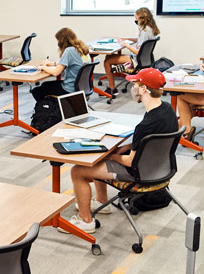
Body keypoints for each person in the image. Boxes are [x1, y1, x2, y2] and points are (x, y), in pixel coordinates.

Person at [66, 68, 177, 233]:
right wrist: (123, 148)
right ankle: (101, 201)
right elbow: (147, 144)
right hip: (160, 168)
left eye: (135, 85)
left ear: (144, 89)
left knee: (78, 171)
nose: (133, 89)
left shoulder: (145, 125)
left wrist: (112, 156)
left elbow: (130, 161)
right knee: (106, 156)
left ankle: (85, 222)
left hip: (138, 174)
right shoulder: (167, 110)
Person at [103, 7, 160, 94]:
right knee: (109, 56)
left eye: (136, 19)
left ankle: (112, 89)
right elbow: (140, 41)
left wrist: (126, 45)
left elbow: (138, 52)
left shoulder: (144, 31)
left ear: (142, 19)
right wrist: (126, 38)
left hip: (136, 60)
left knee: (107, 62)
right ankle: (117, 75)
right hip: (144, 60)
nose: (135, 21)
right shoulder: (150, 28)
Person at [31, 28, 91, 103]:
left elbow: (56, 72)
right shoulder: (81, 48)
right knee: (45, 84)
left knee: (37, 91)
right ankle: (55, 108)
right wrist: (51, 64)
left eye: (58, 41)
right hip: (81, 87)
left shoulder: (69, 51)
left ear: (62, 41)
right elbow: (71, 63)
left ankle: (50, 110)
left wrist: (43, 67)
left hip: (70, 89)